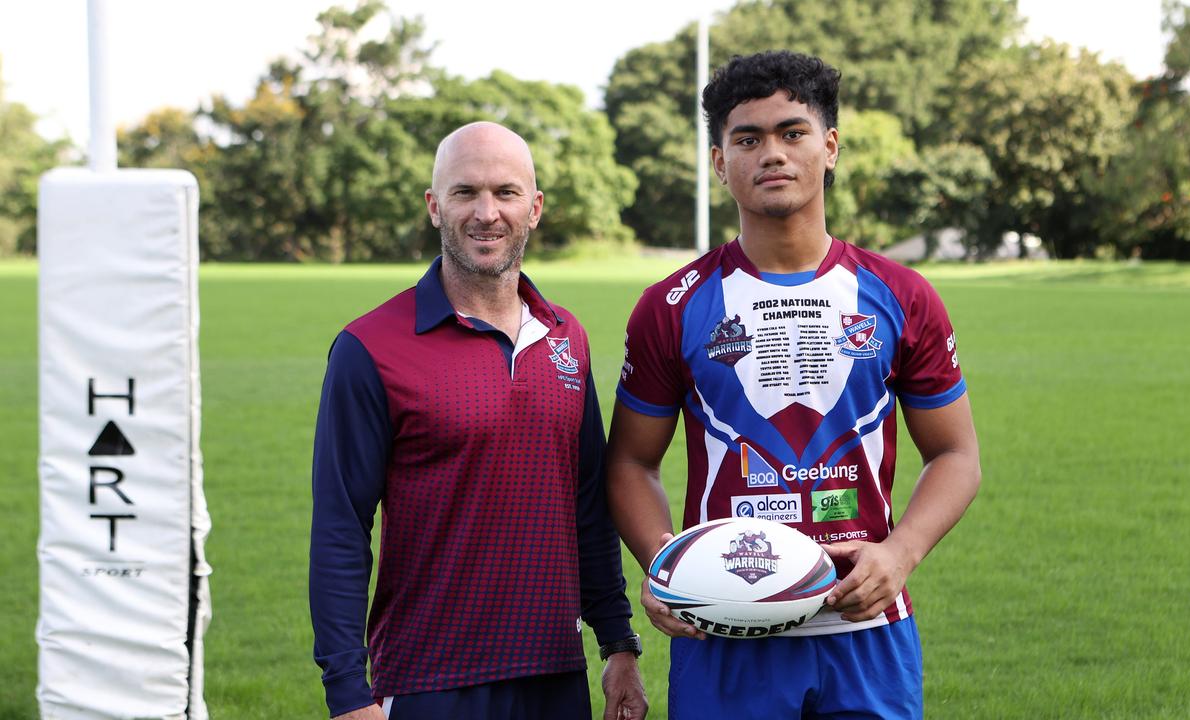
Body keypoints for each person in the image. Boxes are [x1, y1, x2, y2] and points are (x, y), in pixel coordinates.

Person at [606, 51, 981, 719]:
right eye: (747, 139)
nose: (771, 153)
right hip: (725, 626)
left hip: (866, 627)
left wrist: (901, 552)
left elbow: (956, 456)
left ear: (829, 147)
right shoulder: (672, 305)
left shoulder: (901, 295)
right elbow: (632, 461)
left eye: (792, 132)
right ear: (720, 163)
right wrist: (663, 564)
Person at [310, 121, 647, 720]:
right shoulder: (370, 347)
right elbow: (341, 525)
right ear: (435, 206)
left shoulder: (567, 337)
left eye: (506, 193)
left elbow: (589, 502)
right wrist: (346, 692)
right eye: (465, 193)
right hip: (427, 682)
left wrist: (618, 644)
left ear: (535, 208)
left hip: (554, 675)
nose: (486, 213)